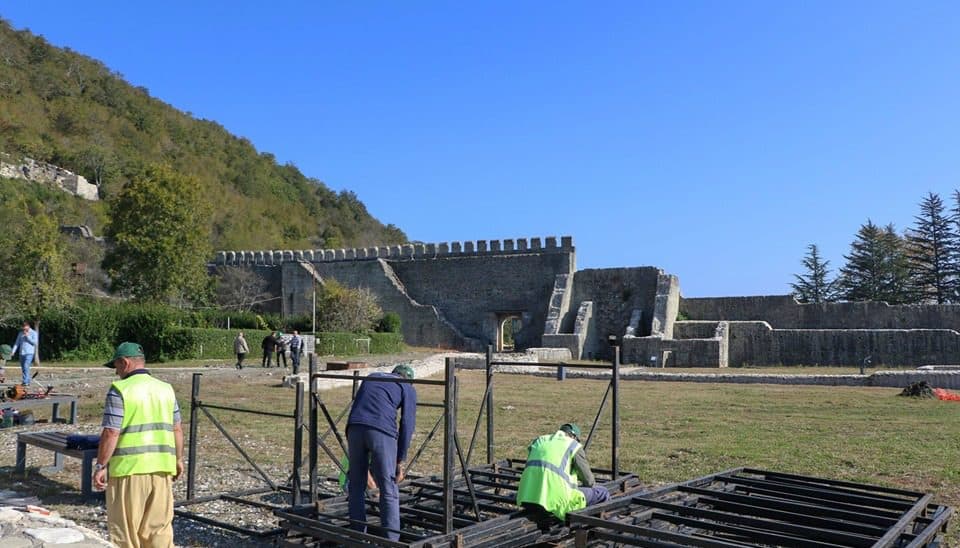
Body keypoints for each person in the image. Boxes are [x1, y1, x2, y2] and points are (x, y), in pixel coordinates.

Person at [93, 342, 184, 547]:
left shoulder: (120, 390)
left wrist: (101, 466)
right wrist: (178, 460)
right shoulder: (165, 389)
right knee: (159, 530)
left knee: (126, 532)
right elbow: (176, 429)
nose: (116, 372)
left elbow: (111, 432)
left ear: (124, 363)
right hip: (162, 469)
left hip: (129, 471)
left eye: (116, 366)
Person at [346, 364, 417, 541]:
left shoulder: (372, 376)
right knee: (388, 488)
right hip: (381, 431)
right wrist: (400, 459)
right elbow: (407, 423)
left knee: (356, 485)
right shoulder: (406, 386)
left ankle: (357, 536)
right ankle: (392, 540)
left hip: (354, 428)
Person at [516, 423, 610, 521]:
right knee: (602, 493)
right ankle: (609, 525)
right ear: (573, 436)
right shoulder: (573, 446)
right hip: (557, 502)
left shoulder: (539, 441)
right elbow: (589, 481)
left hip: (527, 498)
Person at [11, 321, 38, 386]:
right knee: (23, 368)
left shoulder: (33, 333)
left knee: (26, 366)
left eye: (25, 326)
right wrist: (13, 351)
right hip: (21, 353)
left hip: (29, 353)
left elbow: (35, 343)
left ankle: (25, 382)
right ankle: (26, 381)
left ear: (28, 326)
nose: (23, 328)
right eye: (23, 327)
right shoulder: (20, 333)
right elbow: (17, 343)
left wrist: (27, 336)